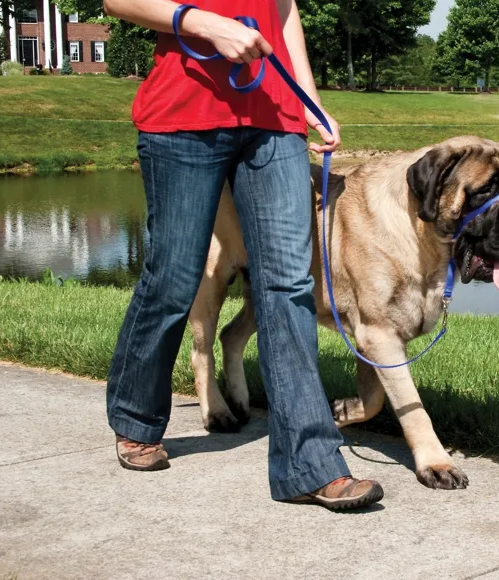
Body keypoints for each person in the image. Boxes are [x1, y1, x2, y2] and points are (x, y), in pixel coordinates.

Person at [102, 0, 384, 510]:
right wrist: (207, 25)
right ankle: (137, 417)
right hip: (182, 115)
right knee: (174, 276)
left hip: (275, 116)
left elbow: (285, 10)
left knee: (289, 284)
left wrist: (308, 98)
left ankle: (310, 465)